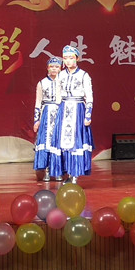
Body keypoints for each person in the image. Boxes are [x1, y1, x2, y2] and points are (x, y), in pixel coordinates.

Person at [47, 45, 94, 184]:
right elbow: (58, 96)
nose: (68, 61)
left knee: (76, 141)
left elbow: (89, 96)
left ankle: (75, 174)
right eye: (65, 58)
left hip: (78, 108)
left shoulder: (84, 75)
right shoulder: (61, 75)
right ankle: (67, 172)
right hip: (64, 108)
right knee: (62, 142)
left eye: (71, 58)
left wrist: (88, 115)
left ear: (77, 58)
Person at [33, 56, 62, 182]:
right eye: (51, 67)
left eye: (57, 67)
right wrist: (36, 119)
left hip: (59, 112)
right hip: (46, 113)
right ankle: (47, 171)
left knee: (59, 141)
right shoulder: (42, 83)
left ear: (60, 68)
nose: (54, 69)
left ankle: (59, 170)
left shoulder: (64, 81)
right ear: (47, 68)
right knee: (47, 141)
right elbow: (38, 102)